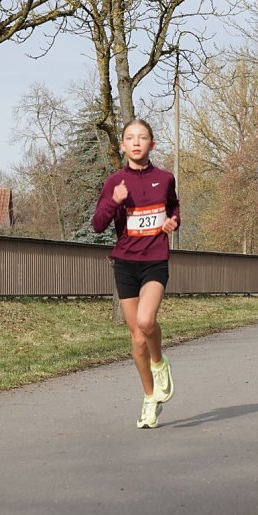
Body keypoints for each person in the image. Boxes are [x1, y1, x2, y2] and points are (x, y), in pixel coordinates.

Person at [92, 119, 179, 429]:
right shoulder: (115, 182)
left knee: (146, 321)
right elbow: (98, 224)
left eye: (143, 137)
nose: (137, 142)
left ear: (152, 144)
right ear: (123, 146)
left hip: (155, 259)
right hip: (125, 262)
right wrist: (114, 201)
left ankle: (160, 362)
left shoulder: (164, 178)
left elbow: (173, 208)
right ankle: (149, 398)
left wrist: (173, 222)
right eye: (130, 137)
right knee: (137, 338)